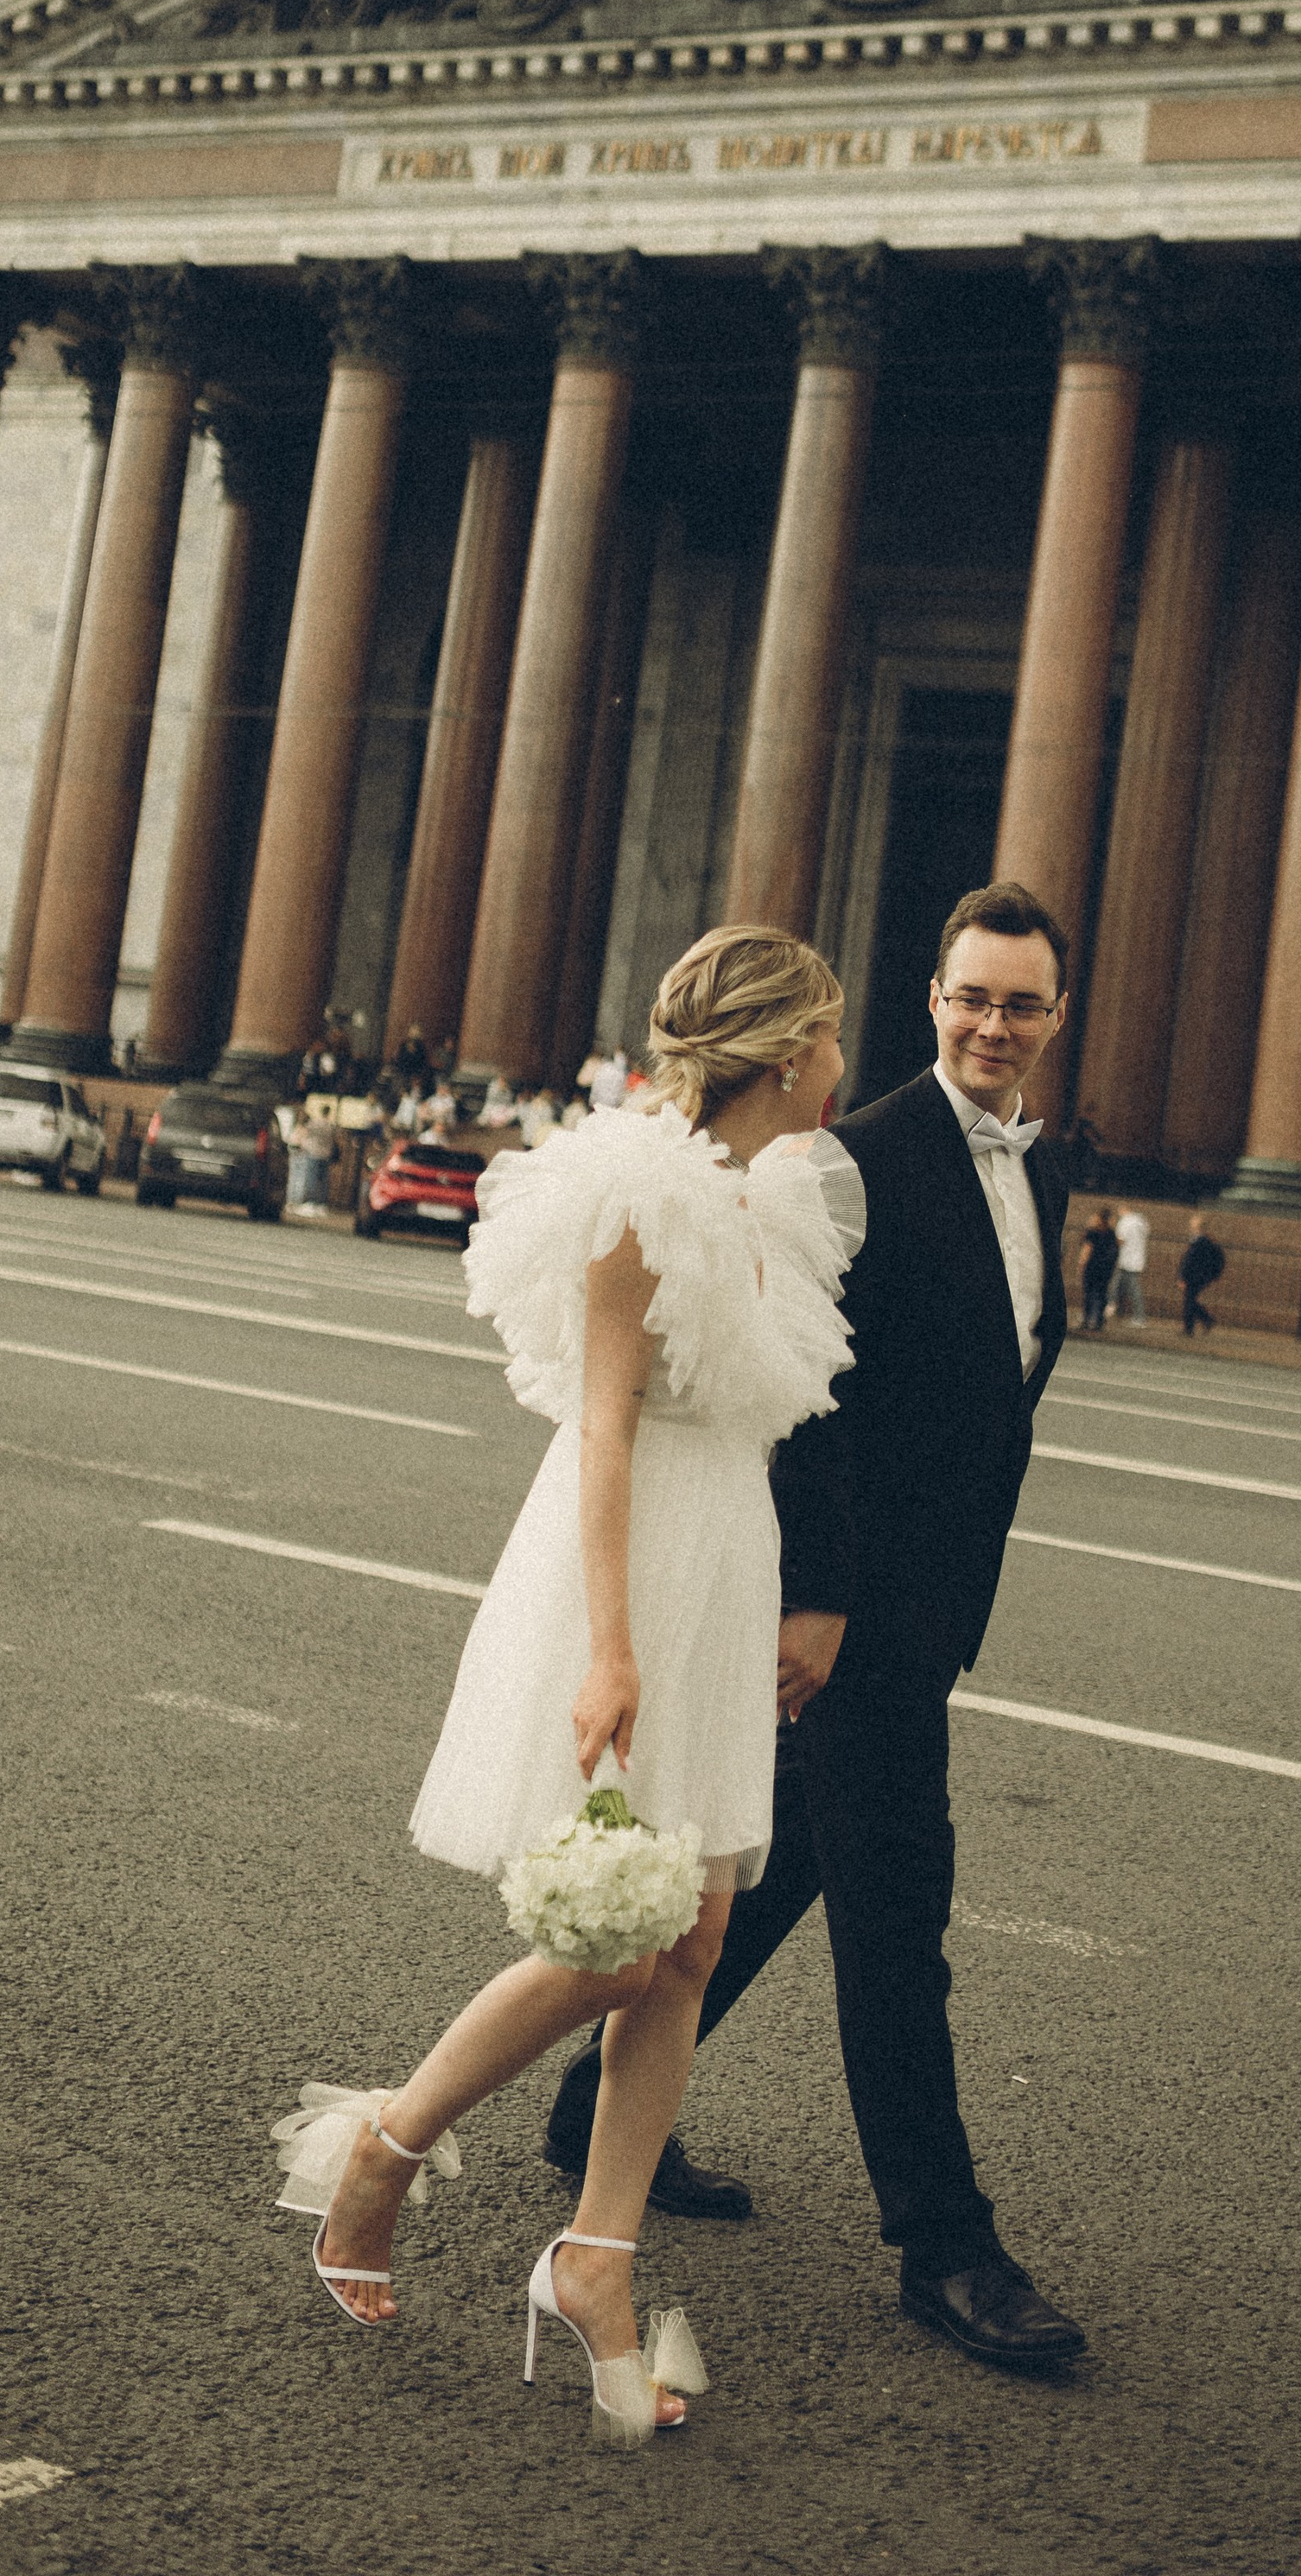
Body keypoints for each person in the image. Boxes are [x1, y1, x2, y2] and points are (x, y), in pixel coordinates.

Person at [282, 926, 855, 2445]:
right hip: (633, 1572)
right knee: (614, 1941)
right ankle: (385, 2154)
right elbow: (603, 1428)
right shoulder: (640, 1197)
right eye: (834, 1036)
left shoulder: (767, 1203)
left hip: (727, 1560)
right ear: (790, 1047)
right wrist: (611, 1647)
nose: (841, 1064)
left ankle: (597, 2262)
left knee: (694, 1937)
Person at [543, 880, 1087, 2374]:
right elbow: (807, 1389)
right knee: (900, 1915)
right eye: (971, 996)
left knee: (781, 1865)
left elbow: (999, 1379)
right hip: (853, 1608)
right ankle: (945, 2243)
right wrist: (824, 1593)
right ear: (933, 1000)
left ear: (1054, 1019)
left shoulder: (1045, 1168)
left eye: (1021, 1003)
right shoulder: (845, 1165)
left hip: (930, 1594)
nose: (992, 1024)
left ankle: (592, 2114)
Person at [1178, 1215, 1226, 1337]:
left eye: (1193, 1223)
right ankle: (1206, 1320)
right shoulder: (1204, 1241)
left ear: (1197, 1227)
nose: (1190, 1225)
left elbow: (1189, 1261)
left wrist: (1182, 1277)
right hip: (1200, 1277)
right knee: (1190, 1301)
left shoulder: (1200, 1242)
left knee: (1189, 1301)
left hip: (1195, 1277)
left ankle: (1191, 1328)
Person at [1077, 1205, 1120, 1334]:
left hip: (1092, 1266)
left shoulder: (1092, 1233)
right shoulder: (1111, 1234)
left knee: (1089, 1293)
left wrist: (1081, 1264)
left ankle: (1086, 1319)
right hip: (1106, 1268)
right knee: (1101, 1294)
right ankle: (1099, 1321)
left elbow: (1087, 1249)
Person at [1111, 1202, 1150, 1324]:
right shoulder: (1141, 1221)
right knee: (1119, 1286)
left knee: (1133, 1290)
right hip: (1137, 1259)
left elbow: (1120, 1240)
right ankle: (1115, 1311)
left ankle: (1140, 1317)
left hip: (1126, 1260)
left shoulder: (1125, 1222)